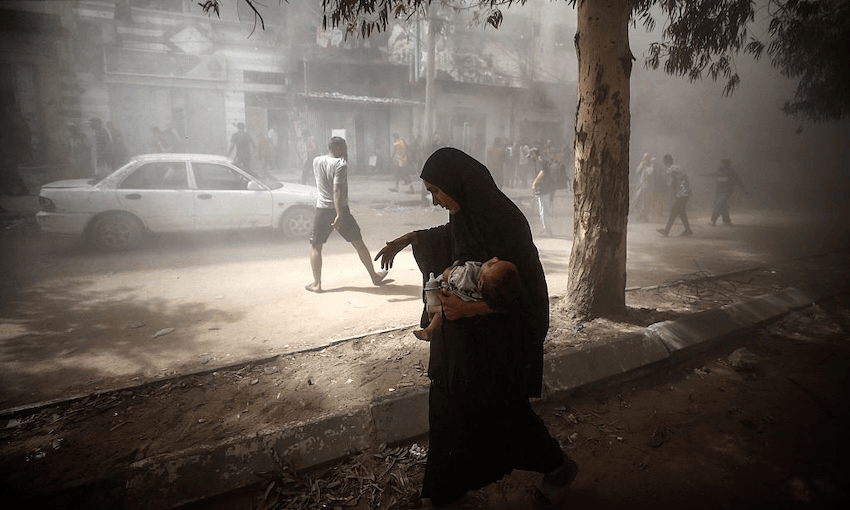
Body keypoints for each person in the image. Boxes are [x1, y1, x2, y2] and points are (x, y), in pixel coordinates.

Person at [375, 147, 578, 510]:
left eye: (437, 191)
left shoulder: (506, 222)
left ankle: (558, 468)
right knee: (446, 411)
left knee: (503, 417)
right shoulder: (464, 216)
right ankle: (443, 494)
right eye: (429, 193)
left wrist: (471, 308)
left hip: (495, 348)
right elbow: (449, 239)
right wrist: (410, 238)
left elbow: (525, 296)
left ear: (457, 183)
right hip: (460, 347)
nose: (435, 201)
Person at [305, 136, 388, 293]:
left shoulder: (317, 160)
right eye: (344, 147)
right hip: (340, 209)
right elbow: (336, 189)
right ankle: (374, 276)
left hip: (322, 209)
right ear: (337, 148)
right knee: (357, 242)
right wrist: (339, 214)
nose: (346, 150)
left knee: (316, 245)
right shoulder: (340, 165)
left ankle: (317, 284)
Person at [414, 257, 523, 342]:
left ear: (480, 284)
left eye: (491, 264)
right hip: (469, 318)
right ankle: (430, 328)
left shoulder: (469, 274)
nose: (495, 258)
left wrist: (451, 269)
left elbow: (449, 275)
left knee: (437, 305)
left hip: (447, 292)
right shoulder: (492, 294)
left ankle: (429, 327)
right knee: (439, 311)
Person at [656, 154, 694, 237]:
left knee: (673, 211)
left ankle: (666, 231)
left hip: (681, 193)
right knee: (681, 212)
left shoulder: (670, 170)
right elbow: (685, 178)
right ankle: (688, 230)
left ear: (665, 161)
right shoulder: (679, 167)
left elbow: (673, 182)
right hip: (686, 192)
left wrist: (674, 193)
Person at [708, 159, 747, 226]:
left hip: (727, 192)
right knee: (723, 205)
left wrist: (744, 190)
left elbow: (738, 181)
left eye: (723, 164)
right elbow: (712, 174)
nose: (722, 165)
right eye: (722, 163)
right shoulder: (719, 170)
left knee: (718, 204)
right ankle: (727, 221)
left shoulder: (731, 172)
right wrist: (702, 175)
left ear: (727, 165)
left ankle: (713, 220)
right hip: (718, 192)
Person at [530, 148, 556, 237]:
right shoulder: (544, 161)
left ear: (534, 154)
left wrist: (534, 183)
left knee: (543, 210)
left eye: (531, 156)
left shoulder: (539, 161)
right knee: (545, 210)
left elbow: (542, 173)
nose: (530, 158)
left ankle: (547, 230)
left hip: (543, 189)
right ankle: (547, 229)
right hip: (548, 189)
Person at [630, 152, 654, 222]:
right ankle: (641, 216)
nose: (645, 159)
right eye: (644, 157)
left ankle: (642, 216)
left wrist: (646, 166)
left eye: (647, 158)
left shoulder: (651, 165)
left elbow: (650, 173)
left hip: (648, 186)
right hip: (641, 186)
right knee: (642, 201)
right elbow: (637, 171)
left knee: (646, 202)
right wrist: (642, 165)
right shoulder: (642, 164)